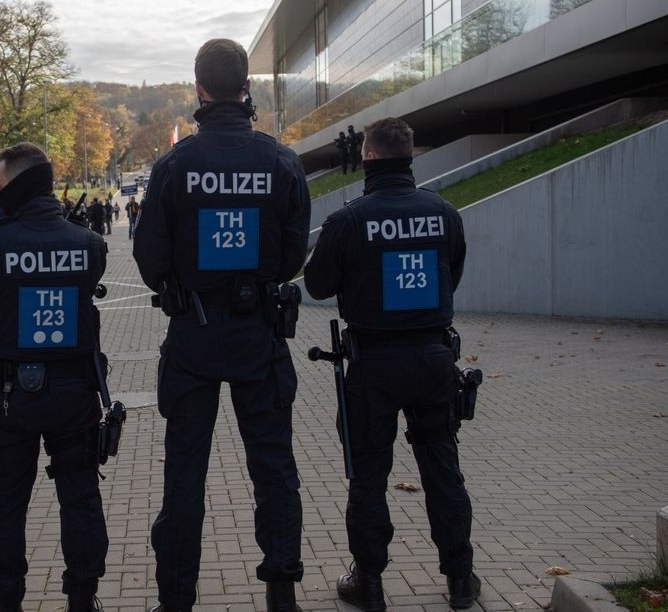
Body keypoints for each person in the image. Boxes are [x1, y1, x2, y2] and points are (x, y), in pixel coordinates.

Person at [132, 38, 311, 612]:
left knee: (184, 473)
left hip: (193, 334)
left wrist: (181, 287)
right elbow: (291, 256)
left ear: (199, 90)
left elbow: (149, 257)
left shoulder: (175, 165)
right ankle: (281, 593)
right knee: (274, 468)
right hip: (259, 331)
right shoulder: (281, 160)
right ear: (247, 88)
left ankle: (176, 598)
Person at [303, 117, 478, 611]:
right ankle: (461, 579)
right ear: (410, 156)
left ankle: (370, 582)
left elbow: (315, 284)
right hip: (433, 357)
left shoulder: (350, 219)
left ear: (369, 157)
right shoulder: (444, 212)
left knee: (369, 475)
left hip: (373, 362)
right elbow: (453, 274)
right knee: (443, 467)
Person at [0, 142, 108, 612]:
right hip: (76, 392)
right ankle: (83, 599)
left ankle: (8, 603)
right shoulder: (89, 244)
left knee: (5, 504)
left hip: (10, 395)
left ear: (15, 188)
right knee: (80, 498)